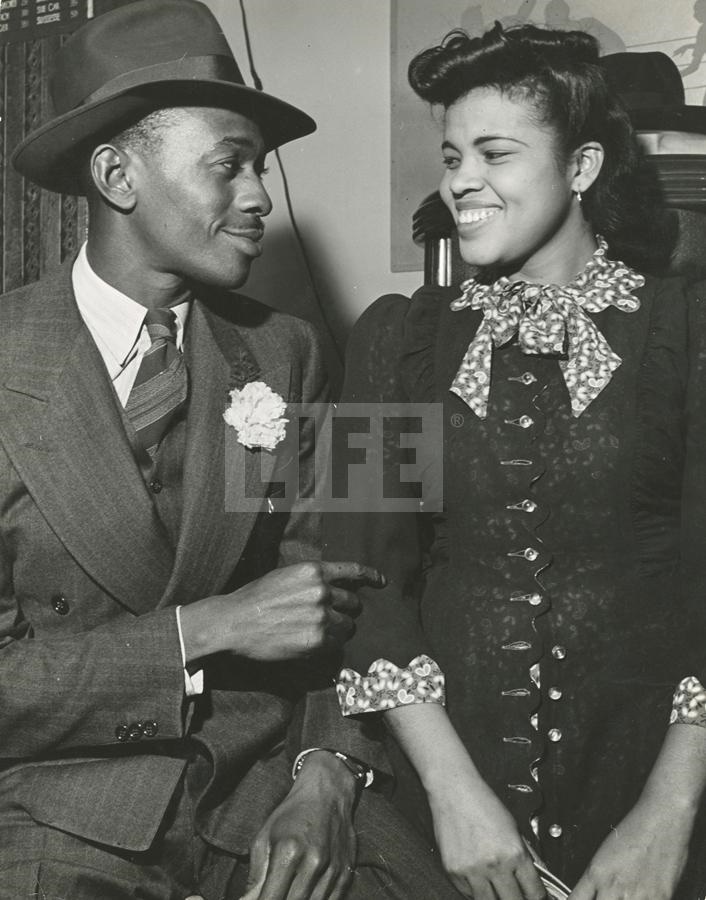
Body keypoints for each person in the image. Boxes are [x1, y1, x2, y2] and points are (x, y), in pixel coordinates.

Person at [0, 2, 469, 898]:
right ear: (116, 173)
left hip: (271, 784)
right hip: (61, 808)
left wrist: (331, 770)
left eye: (263, 167)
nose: (259, 195)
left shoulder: (294, 346)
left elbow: (366, 589)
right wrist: (205, 630)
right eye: (230, 165)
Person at [325, 22, 706, 900]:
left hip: (654, 802)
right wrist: (453, 797)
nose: (461, 180)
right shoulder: (391, 338)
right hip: (445, 809)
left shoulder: (689, 331)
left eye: (494, 153)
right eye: (452, 155)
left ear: (582, 169)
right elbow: (358, 581)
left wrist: (667, 816)